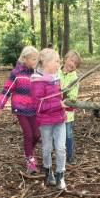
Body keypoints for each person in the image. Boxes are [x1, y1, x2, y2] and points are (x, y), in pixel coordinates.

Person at [0, 46, 40, 174]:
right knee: (29, 134)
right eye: (33, 59)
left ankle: (28, 150)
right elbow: (7, 89)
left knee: (37, 134)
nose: (35, 61)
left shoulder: (37, 73)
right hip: (20, 109)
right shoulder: (16, 73)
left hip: (34, 109)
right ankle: (30, 160)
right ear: (25, 59)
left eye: (37, 59)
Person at [31, 48, 67, 190]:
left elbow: (60, 98)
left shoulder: (56, 78)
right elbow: (39, 105)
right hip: (45, 122)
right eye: (56, 61)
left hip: (59, 119)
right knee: (47, 148)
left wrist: (68, 105)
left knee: (61, 148)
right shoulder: (37, 81)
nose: (59, 64)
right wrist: (58, 104)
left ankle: (60, 175)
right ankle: (48, 171)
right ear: (46, 63)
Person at [59, 50, 81, 165]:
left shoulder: (74, 78)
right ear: (65, 58)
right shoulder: (56, 72)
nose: (72, 64)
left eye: (75, 63)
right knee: (57, 134)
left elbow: (73, 96)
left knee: (68, 134)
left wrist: (65, 98)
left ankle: (71, 156)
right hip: (54, 111)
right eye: (71, 60)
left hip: (68, 114)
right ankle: (59, 155)